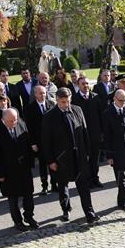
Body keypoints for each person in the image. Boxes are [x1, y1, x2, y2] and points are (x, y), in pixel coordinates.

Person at [40, 87, 99, 224]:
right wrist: (50, 161)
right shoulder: (49, 117)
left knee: (83, 185)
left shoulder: (77, 110)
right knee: (63, 186)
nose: (66, 105)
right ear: (56, 100)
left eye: (67, 101)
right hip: (61, 158)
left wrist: (88, 153)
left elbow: (84, 132)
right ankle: (65, 209)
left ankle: (89, 212)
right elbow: (46, 141)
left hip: (79, 156)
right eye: (62, 102)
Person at [0, 108, 38, 232]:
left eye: (15, 120)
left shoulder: (20, 124)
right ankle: (18, 221)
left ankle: (29, 216)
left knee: (28, 194)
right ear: (3, 119)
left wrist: (30, 162)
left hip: (24, 168)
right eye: (11, 121)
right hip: (8, 171)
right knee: (13, 198)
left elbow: (27, 143)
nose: (14, 123)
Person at [102, 89, 125, 213]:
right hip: (116, 152)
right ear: (114, 99)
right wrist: (109, 155)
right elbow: (106, 136)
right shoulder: (108, 113)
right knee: (122, 178)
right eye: (120, 100)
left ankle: (120, 201)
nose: (123, 102)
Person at [72, 76, 104, 187]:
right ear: (78, 85)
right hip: (82, 135)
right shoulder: (75, 99)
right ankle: (87, 180)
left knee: (95, 159)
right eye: (83, 84)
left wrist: (102, 132)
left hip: (95, 134)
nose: (85, 86)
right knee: (84, 159)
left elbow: (101, 116)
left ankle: (95, 178)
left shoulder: (95, 97)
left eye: (87, 83)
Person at [23, 85, 54, 195]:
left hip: (52, 140)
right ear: (35, 94)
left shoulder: (51, 104)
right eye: (40, 93)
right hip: (39, 141)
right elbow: (29, 128)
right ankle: (44, 185)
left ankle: (54, 184)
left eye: (44, 93)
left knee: (53, 162)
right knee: (42, 164)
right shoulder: (29, 108)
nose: (43, 95)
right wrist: (33, 143)